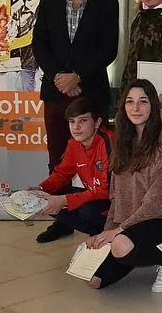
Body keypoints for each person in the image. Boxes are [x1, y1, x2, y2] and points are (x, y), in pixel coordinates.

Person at [32, 0, 119, 171]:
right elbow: (39, 44)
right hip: (56, 90)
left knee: (95, 159)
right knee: (58, 157)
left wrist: (77, 75)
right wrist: (60, 77)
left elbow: (109, 49)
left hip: (91, 91)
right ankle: (59, 206)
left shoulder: (107, 2)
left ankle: (92, 206)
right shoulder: (49, 0)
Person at [84, 79, 162, 289]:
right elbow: (116, 196)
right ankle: (126, 247)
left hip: (159, 220)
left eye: (143, 102)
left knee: (121, 245)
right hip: (127, 225)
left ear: (153, 106)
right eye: (130, 102)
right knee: (94, 280)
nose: (136, 108)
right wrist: (106, 233)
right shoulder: (122, 141)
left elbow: (157, 202)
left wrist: (118, 232)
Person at [29, 96, 112, 243]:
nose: (76, 127)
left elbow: (106, 190)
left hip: (114, 201)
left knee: (88, 211)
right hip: (95, 194)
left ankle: (105, 232)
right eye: (72, 122)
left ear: (98, 122)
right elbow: (61, 174)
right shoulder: (74, 144)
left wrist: (64, 200)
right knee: (47, 196)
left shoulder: (108, 141)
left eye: (83, 121)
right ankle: (93, 231)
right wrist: (41, 188)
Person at [8, 0, 44, 92]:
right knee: (28, 103)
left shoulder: (50, 6)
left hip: (50, 67)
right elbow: (10, 40)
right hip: (27, 67)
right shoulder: (17, 14)